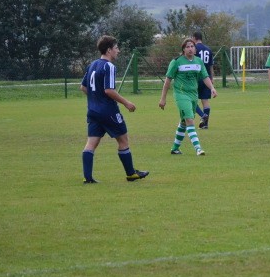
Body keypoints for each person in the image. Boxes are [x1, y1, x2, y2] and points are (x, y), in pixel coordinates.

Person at [80, 35, 149, 184]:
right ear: (109, 50)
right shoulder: (109, 66)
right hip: (108, 111)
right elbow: (109, 90)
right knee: (123, 140)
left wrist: (95, 98)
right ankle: (131, 174)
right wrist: (126, 103)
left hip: (93, 111)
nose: (118, 51)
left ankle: (88, 177)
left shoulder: (92, 65)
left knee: (91, 143)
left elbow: (83, 87)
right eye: (116, 48)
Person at [159, 38, 217, 156]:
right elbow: (168, 81)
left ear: (195, 49)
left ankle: (175, 148)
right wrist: (163, 98)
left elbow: (205, 77)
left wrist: (212, 88)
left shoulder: (198, 61)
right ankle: (198, 148)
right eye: (187, 47)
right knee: (190, 120)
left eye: (192, 46)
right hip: (181, 94)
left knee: (184, 122)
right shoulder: (176, 62)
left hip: (193, 95)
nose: (190, 49)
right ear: (183, 50)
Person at [193, 31, 214, 129]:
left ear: (194, 38)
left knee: (191, 100)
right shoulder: (208, 50)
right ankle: (205, 124)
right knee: (205, 101)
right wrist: (211, 79)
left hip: (196, 78)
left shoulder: (193, 49)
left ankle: (202, 115)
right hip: (207, 78)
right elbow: (211, 66)